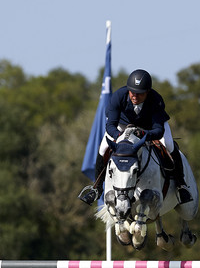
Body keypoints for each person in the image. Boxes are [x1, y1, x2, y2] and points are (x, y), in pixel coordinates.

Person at [78, 69, 193, 205]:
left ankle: (181, 185)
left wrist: (145, 134)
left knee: (169, 144)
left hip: (149, 126)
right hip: (122, 125)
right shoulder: (118, 96)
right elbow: (110, 126)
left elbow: (158, 130)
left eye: (140, 94)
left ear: (147, 92)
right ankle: (96, 188)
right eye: (132, 92)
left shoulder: (156, 100)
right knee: (103, 148)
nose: (135, 97)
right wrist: (120, 137)